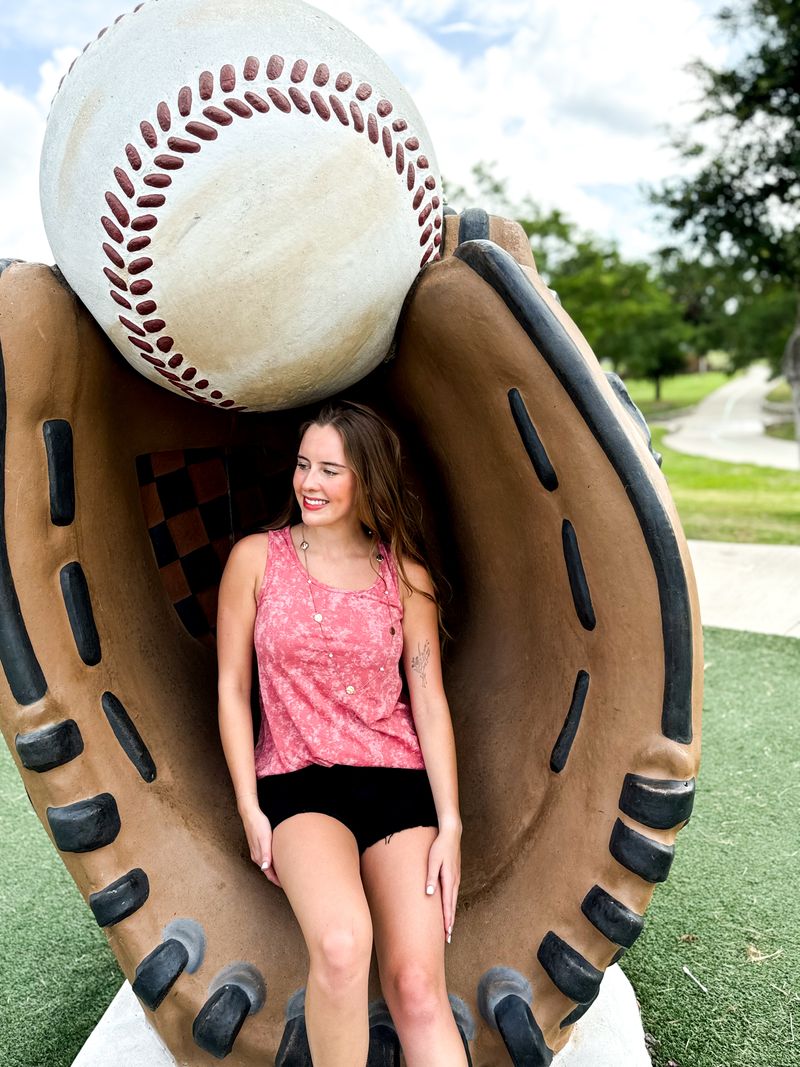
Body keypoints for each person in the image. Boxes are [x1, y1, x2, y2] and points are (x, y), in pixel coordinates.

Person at [216, 401, 468, 1067]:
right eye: (304, 465)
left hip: (397, 784)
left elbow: (429, 701)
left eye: (331, 469)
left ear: (368, 480)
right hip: (298, 784)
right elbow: (232, 688)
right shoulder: (255, 560)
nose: (311, 482)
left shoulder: (405, 577)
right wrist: (247, 803)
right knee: (340, 943)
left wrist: (451, 822)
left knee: (416, 985)